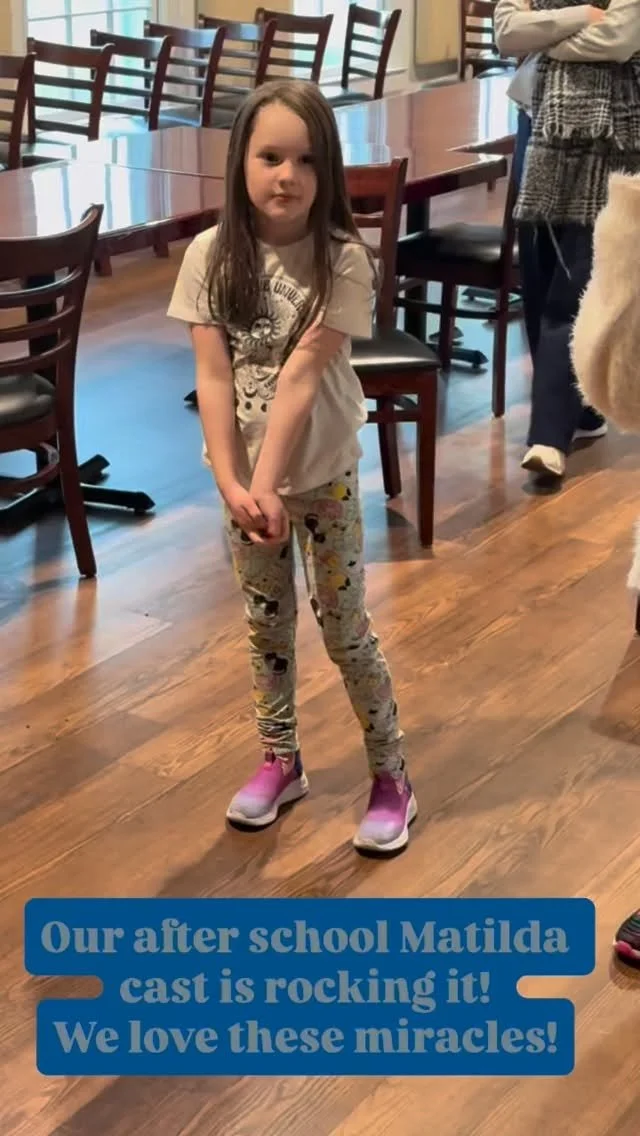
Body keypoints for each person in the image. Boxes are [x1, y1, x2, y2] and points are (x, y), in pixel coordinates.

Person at [166, 79, 417, 855]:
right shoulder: (209, 255)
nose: (288, 176)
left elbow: (303, 377)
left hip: (321, 474)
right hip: (246, 485)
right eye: (271, 157)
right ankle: (281, 760)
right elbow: (212, 376)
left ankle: (391, 776)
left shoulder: (344, 259)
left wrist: (267, 483)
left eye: (307, 161)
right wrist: (232, 483)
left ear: (328, 170)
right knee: (266, 626)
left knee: (345, 630)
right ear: (240, 160)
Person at [494, 0, 640, 482]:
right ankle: (584, 406)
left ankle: (548, 436)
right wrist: (581, 15)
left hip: (612, 133)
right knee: (537, 271)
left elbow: (619, 38)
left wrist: (546, 41)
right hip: (538, 124)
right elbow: (507, 32)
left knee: (576, 277)